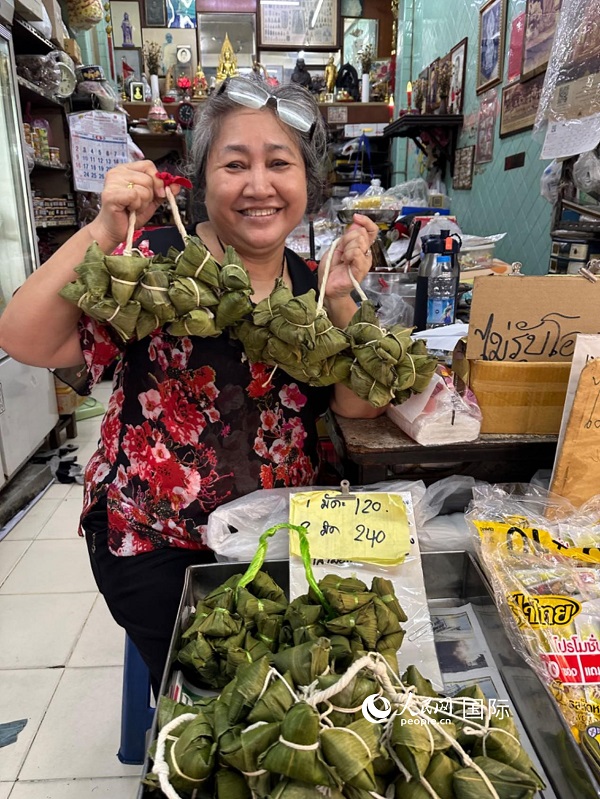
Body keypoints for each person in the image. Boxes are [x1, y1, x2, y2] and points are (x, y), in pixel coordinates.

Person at [0, 77, 381, 693]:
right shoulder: (150, 267)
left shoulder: (313, 282)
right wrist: (104, 227)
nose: (259, 186)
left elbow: (359, 406)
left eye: (279, 163)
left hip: (283, 539)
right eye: (235, 164)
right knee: (231, 700)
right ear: (202, 181)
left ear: (307, 184)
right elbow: (24, 338)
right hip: (160, 542)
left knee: (318, 690)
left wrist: (342, 302)